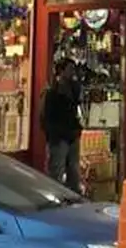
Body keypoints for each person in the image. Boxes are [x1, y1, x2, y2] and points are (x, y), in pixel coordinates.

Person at [43, 58, 83, 193]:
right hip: (60, 135)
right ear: (61, 71)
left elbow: (77, 103)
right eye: (70, 69)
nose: (72, 72)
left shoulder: (73, 88)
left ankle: (73, 194)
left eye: (73, 69)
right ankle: (56, 194)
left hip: (71, 133)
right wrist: (53, 134)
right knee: (57, 169)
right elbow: (48, 115)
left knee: (73, 169)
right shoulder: (53, 91)